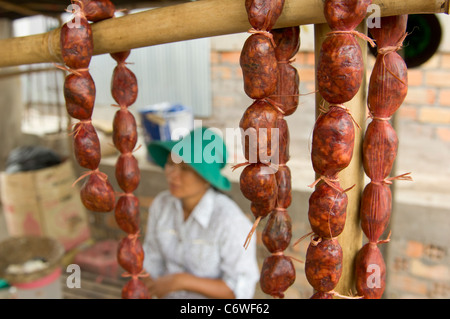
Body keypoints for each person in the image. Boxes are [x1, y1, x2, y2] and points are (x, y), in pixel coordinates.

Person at [142, 126, 259, 299]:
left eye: (185, 168)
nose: (172, 174)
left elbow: (240, 289)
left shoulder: (229, 220)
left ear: (206, 179)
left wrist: (181, 281)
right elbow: (151, 259)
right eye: (170, 163)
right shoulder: (161, 205)